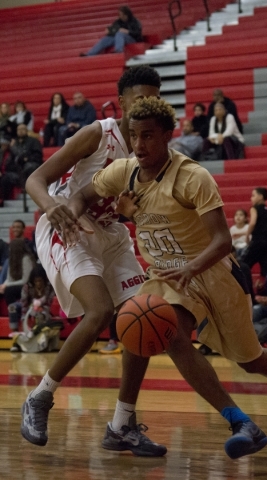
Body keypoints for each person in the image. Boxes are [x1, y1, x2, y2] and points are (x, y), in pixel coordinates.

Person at [62, 96, 267, 459]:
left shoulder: (194, 177)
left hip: (214, 273)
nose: (139, 145)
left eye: (148, 136)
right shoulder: (125, 171)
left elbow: (222, 240)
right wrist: (71, 215)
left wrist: (190, 267)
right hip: (167, 277)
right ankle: (240, 422)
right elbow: (83, 195)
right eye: (133, 136)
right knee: (169, 333)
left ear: (168, 135)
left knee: (250, 360)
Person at [21, 65, 167, 457]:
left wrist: (129, 213)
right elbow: (35, 178)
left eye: (153, 98)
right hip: (67, 226)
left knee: (142, 316)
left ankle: (122, 423)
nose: (146, 105)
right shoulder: (96, 134)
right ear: (121, 101)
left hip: (109, 233)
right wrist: (51, 207)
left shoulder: (152, 146)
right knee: (100, 311)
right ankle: (39, 397)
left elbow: (130, 208)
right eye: (139, 98)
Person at [240, 187, 267, 287]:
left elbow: (253, 222)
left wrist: (247, 235)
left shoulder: (254, 208)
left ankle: (245, 288)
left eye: (253, 195)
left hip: (258, 242)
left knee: (243, 265)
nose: (251, 198)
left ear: (260, 197)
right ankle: (266, 291)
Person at [8, 264, 54, 335]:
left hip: (43, 308)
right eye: (36, 281)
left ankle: (40, 334)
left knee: (40, 314)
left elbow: (49, 302)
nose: (38, 283)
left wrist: (40, 305)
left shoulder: (49, 287)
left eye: (40, 281)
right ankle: (15, 332)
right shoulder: (27, 287)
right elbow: (24, 303)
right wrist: (24, 318)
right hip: (28, 306)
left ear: (44, 280)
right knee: (12, 307)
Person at [0, 238, 35, 306]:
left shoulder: (26, 259)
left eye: (11, 248)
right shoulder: (12, 259)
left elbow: (25, 280)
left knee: (9, 290)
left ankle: (14, 311)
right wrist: (3, 285)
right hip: (15, 284)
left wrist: (7, 285)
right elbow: (9, 278)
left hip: (27, 286)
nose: (9, 250)